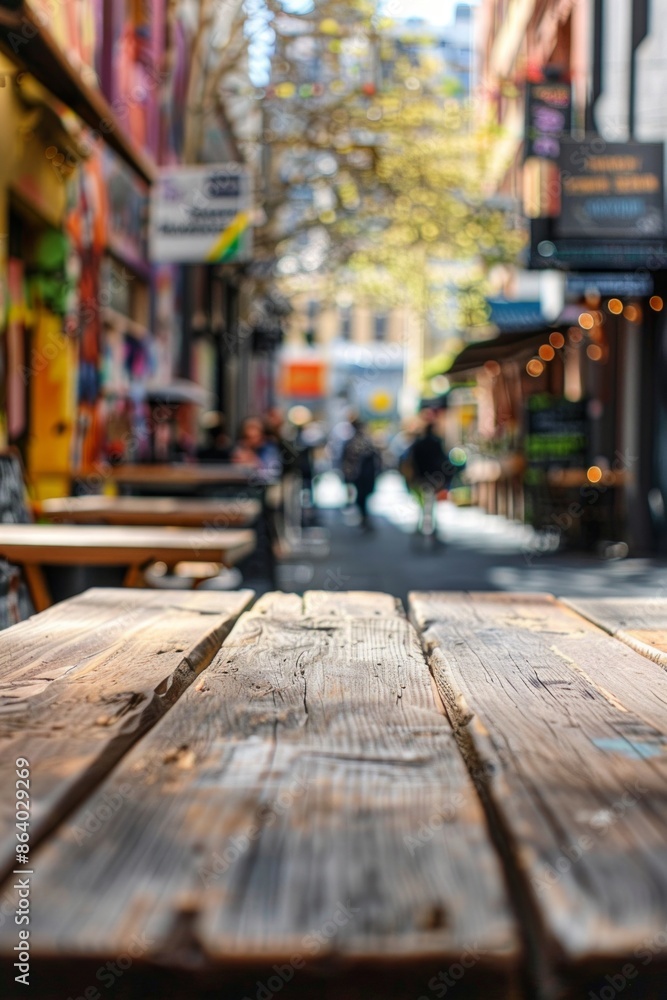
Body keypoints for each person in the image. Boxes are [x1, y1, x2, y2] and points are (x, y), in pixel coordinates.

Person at [408, 410, 450, 540]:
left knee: (422, 504)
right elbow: (442, 461)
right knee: (431, 504)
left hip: (421, 478)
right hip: (434, 477)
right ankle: (431, 529)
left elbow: (413, 461)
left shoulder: (418, 444)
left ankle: (421, 528)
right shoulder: (436, 443)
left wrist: (415, 477)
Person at [342, 418, 381, 530]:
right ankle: (364, 518)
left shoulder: (356, 441)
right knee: (362, 497)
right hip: (362, 475)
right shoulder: (361, 441)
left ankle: (364, 518)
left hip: (361, 475)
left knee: (361, 497)